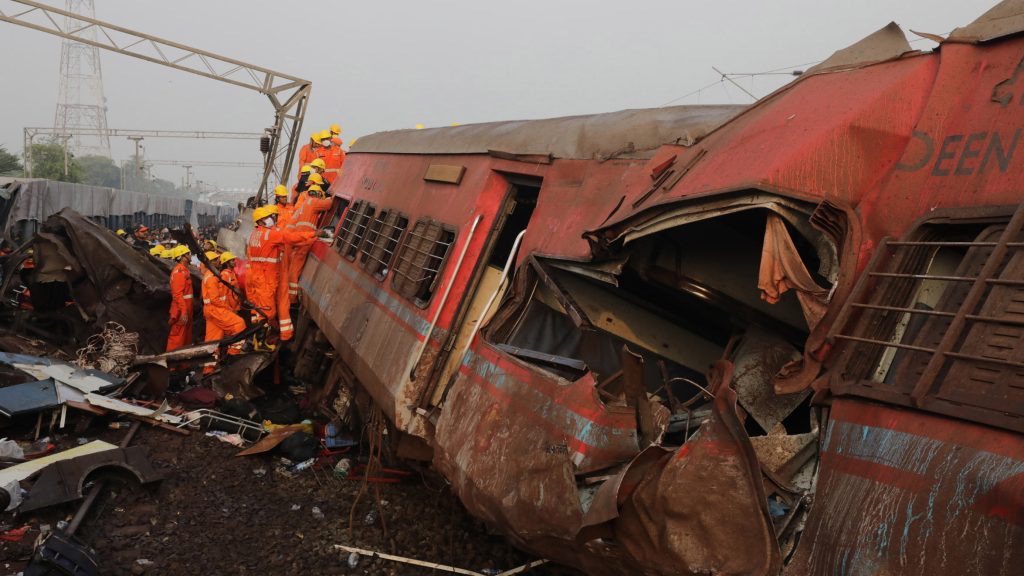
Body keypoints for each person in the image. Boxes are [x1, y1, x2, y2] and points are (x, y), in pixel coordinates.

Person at [245, 205, 302, 344]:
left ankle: (262, 335)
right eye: (267, 218)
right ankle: (263, 338)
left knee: (260, 309)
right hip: (268, 276)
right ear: (261, 221)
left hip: (258, 275)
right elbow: (290, 238)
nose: (271, 219)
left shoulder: (254, 234)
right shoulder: (270, 234)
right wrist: (314, 235)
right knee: (268, 311)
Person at [285, 184, 333, 304]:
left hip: (297, 238)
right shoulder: (313, 202)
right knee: (296, 267)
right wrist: (330, 197)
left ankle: (290, 296)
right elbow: (329, 204)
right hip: (304, 239)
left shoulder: (304, 204)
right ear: (317, 194)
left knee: (293, 266)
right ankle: (292, 298)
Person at [201, 251, 246, 374]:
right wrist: (229, 309)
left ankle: (208, 370)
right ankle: (231, 356)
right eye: (215, 260)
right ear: (209, 263)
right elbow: (215, 299)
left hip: (212, 310)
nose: (218, 261)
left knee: (212, 341)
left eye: (218, 259)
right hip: (216, 310)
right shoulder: (212, 278)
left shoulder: (213, 275)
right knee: (240, 324)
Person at [166, 245, 194, 352]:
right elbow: (177, 295)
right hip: (181, 309)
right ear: (182, 257)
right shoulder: (179, 272)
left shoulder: (184, 270)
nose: (190, 255)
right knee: (178, 337)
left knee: (186, 336)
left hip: (187, 308)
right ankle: (173, 365)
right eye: (188, 253)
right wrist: (183, 311)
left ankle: (184, 364)